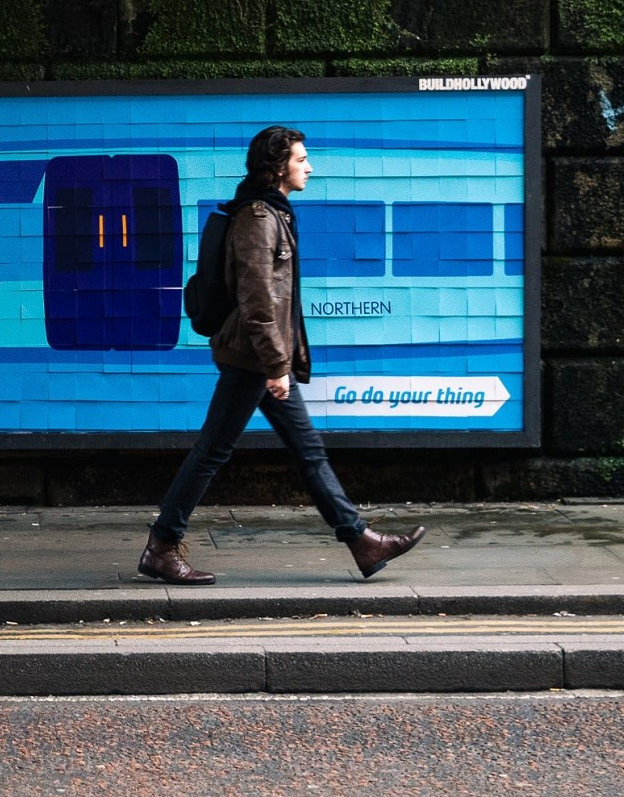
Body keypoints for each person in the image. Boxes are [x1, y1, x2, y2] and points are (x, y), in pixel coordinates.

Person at [137, 126, 426, 585]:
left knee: (307, 451)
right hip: (253, 358)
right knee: (213, 451)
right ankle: (162, 546)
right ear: (277, 168)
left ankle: (362, 542)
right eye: (300, 159)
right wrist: (276, 367)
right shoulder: (258, 218)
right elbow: (257, 301)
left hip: (265, 360)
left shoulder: (272, 212)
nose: (308, 167)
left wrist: (279, 364)